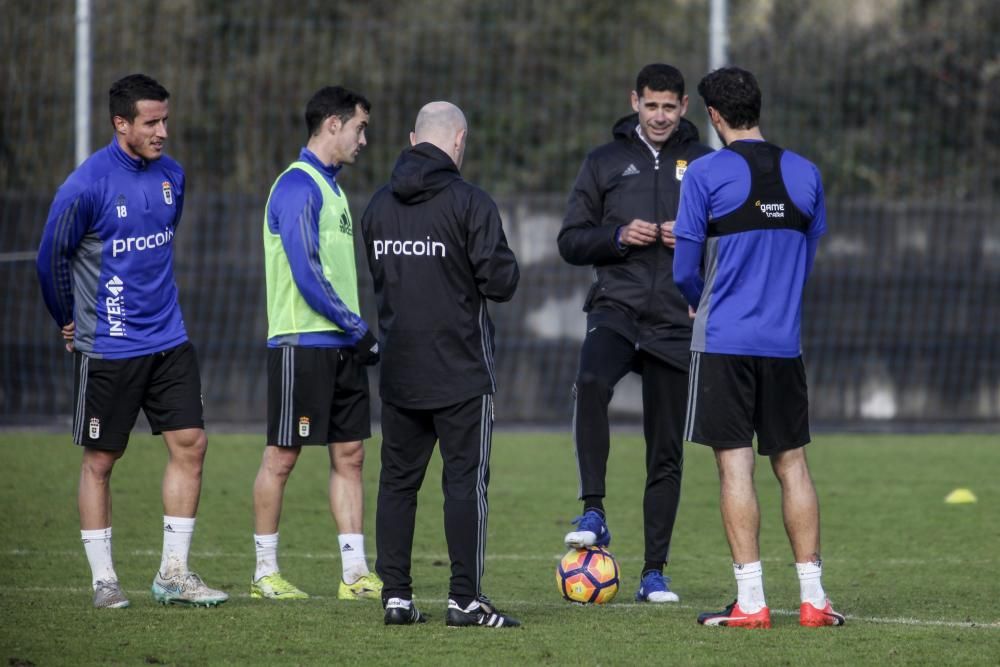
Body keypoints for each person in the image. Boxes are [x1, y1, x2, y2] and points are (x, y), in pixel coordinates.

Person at [36, 74, 228, 609]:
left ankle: (173, 574)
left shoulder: (173, 176)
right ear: (121, 123)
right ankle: (104, 581)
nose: (163, 131)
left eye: (165, 119)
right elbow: (48, 260)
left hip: (169, 337)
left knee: (191, 444)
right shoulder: (84, 186)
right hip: (110, 346)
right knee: (101, 459)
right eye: (151, 122)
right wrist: (66, 318)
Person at [672, 66, 845, 629]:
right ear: (759, 108)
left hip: (724, 342)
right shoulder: (807, 173)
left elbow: (683, 271)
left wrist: (698, 299)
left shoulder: (704, 173)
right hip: (783, 344)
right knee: (792, 464)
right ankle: (814, 599)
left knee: (735, 469)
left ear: (714, 117)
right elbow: (806, 258)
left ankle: (751, 602)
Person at [360, 101, 521, 627]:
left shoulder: (377, 206)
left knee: (396, 484)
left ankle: (397, 598)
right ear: (459, 141)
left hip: (400, 370)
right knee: (464, 483)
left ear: (412, 139)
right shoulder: (470, 203)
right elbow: (500, 282)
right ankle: (465, 600)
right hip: (461, 371)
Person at [556, 63, 712, 603]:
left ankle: (653, 574)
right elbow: (571, 241)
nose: (661, 116)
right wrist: (618, 236)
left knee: (665, 450)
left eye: (670, 107)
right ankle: (594, 511)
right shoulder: (604, 161)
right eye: (652, 106)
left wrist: (691, 244)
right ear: (635, 102)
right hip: (616, 309)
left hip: (676, 319)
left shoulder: (707, 165)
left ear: (684, 107)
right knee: (592, 380)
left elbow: (728, 239)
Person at [251, 86, 383, 602]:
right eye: (359, 127)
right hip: (301, 344)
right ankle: (265, 572)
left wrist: (352, 333)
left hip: (340, 346)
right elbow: (306, 274)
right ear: (332, 124)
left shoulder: (333, 188)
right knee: (282, 457)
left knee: (350, 455)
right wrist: (358, 327)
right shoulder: (297, 186)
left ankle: (354, 575)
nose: (364, 139)